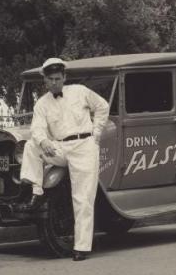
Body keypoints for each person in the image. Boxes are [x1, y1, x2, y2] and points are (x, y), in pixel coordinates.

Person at [20, 57, 110, 261]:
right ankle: (36, 189)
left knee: (83, 198)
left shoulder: (80, 91)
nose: (54, 83)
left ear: (64, 77)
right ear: (45, 80)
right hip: (59, 147)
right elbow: (37, 128)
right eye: (50, 79)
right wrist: (43, 142)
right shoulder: (42, 104)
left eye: (57, 78)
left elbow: (102, 106)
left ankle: (81, 247)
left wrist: (96, 133)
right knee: (30, 146)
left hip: (84, 147)